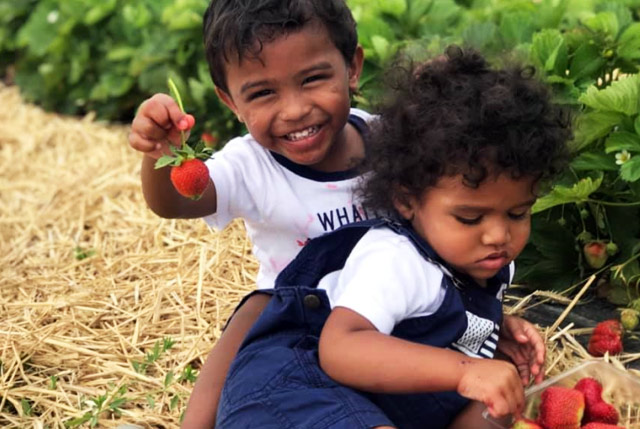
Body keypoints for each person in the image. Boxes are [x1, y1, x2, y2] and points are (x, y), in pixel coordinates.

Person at [214, 47, 572, 429]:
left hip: (378, 402)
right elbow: (340, 349)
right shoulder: (395, 260)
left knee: (500, 405)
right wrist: (465, 369)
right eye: (469, 217)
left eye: (518, 213)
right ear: (406, 200)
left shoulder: (485, 259)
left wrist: (492, 327)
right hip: (299, 388)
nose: (499, 235)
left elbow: (446, 319)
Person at [127, 0, 373, 427]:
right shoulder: (249, 165)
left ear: (352, 67)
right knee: (252, 317)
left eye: (313, 79)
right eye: (262, 93)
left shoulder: (393, 143)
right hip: (295, 326)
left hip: (386, 317)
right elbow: (177, 201)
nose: (294, 109)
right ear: (230, 102)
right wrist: (161, 153)